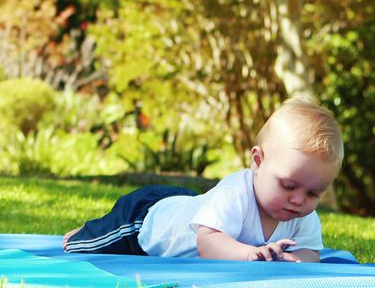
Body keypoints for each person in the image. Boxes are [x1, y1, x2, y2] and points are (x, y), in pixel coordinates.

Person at [62, 95, 343, 262]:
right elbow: (207, 243)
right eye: (288, 185)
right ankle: (82, 232)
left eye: (313, 193)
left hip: (190, 204)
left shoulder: (303, 214)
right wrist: (249, 254)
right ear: (258, 161)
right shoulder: (236, 194)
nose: (299, 200)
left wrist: (290, 261)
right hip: (145, 221)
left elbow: (310, 253)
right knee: (89, 246)